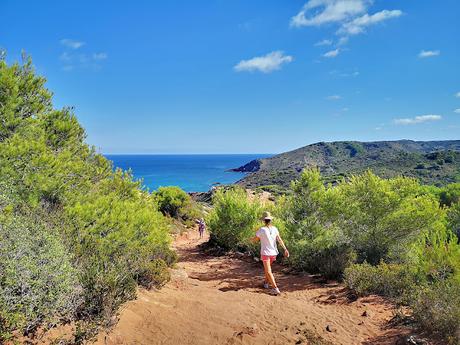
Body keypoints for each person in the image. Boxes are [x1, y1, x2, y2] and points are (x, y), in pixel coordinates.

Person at [252, 211, 289, 295]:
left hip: (265, 253)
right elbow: (279, 239)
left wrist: (251, 239)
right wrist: (285, 249)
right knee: (267, 269)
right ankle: (265, 283)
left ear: (264, 221)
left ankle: (275, 289)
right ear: (270, 220)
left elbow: (255, 240)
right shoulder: (275, 228)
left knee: (268, 271)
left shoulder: (262, 229)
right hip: (273, 253)